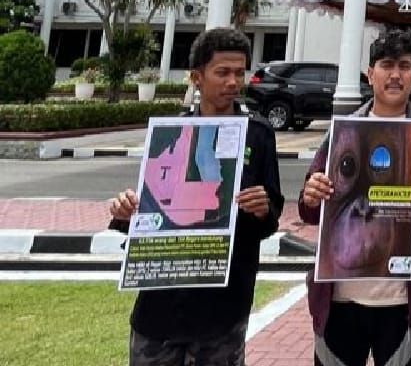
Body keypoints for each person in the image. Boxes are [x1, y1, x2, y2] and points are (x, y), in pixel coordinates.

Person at [107, 27, 283, 366]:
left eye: (239, 72)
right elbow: (152, 209)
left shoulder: (258, 134)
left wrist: (263, 210)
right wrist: (125, 211)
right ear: (196, 77)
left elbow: (270, 216)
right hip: (160, 304)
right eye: (222, 73)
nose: (233, 82)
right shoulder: (171, 134)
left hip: (223, 308)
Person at [299, 28, 411, 366]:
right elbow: (310, 207)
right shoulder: (343, 130)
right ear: (370, 74)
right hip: (339, 295)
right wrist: (312, 194)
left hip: (401, 298)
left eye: (405, 66)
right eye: (387, 65)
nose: (395, 75)